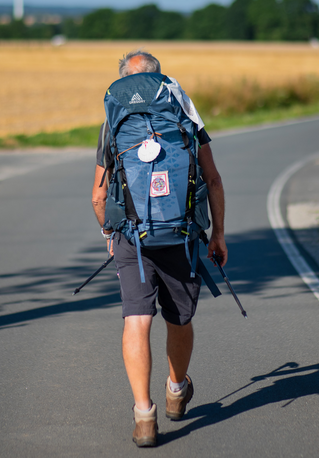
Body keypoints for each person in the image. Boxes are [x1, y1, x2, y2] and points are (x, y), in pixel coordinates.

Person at [90, 50, 227, 446]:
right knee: (179, 319)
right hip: (181, 234)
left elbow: (99, 196)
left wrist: (111, 235)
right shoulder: (184, 113)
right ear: (160, 78)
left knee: (137, 320)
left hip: (132, 237)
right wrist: (217, 235)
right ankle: (175, 388)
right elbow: (213, 180)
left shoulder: (113, 123)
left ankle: (144, 416)